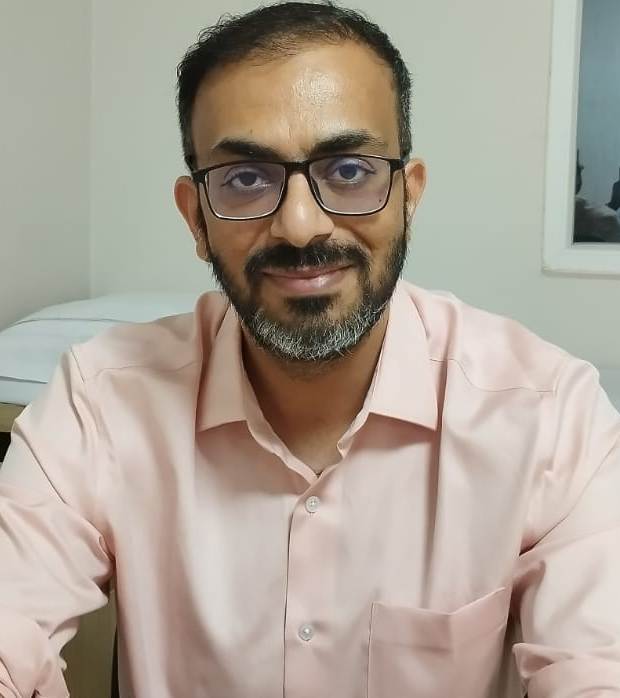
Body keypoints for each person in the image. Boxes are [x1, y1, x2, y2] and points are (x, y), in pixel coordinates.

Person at [1, 2, 620, 696]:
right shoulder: (99, 401)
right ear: (195, 218)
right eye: (245, 179)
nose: (300, 226)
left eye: (349, 170)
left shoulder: (550, 419)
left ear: (408, 196)